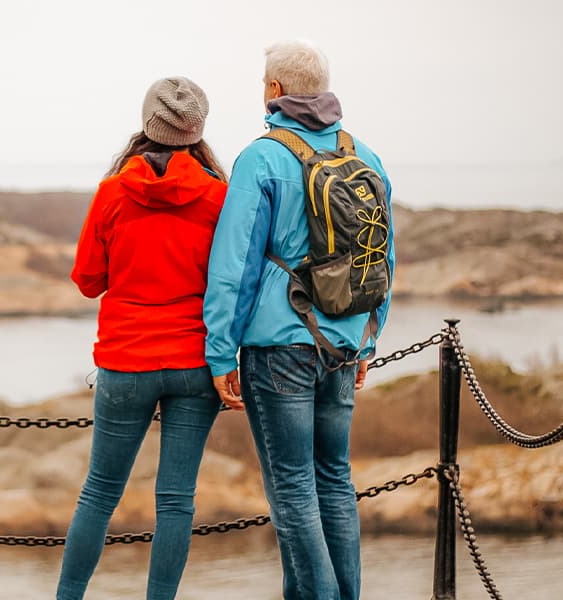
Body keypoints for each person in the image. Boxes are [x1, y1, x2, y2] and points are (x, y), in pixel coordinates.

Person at [203, 40, 395, 600]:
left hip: (279, 346)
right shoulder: (366, 157)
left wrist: (220, 352)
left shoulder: (261, 158)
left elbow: (234, 265)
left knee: (291, 488)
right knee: (334, 479)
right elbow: (382, 258)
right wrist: (367, 338)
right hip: (342, 340)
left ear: (275, 91)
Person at [57, 76, 228, 600]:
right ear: (196, 129)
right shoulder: (219, 196)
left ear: (147, 123)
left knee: (100, 494)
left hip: (126, 362)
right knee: (176, 500)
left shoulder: (113, 192)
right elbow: (232, 281)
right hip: (196, 362)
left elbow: (88, 281)